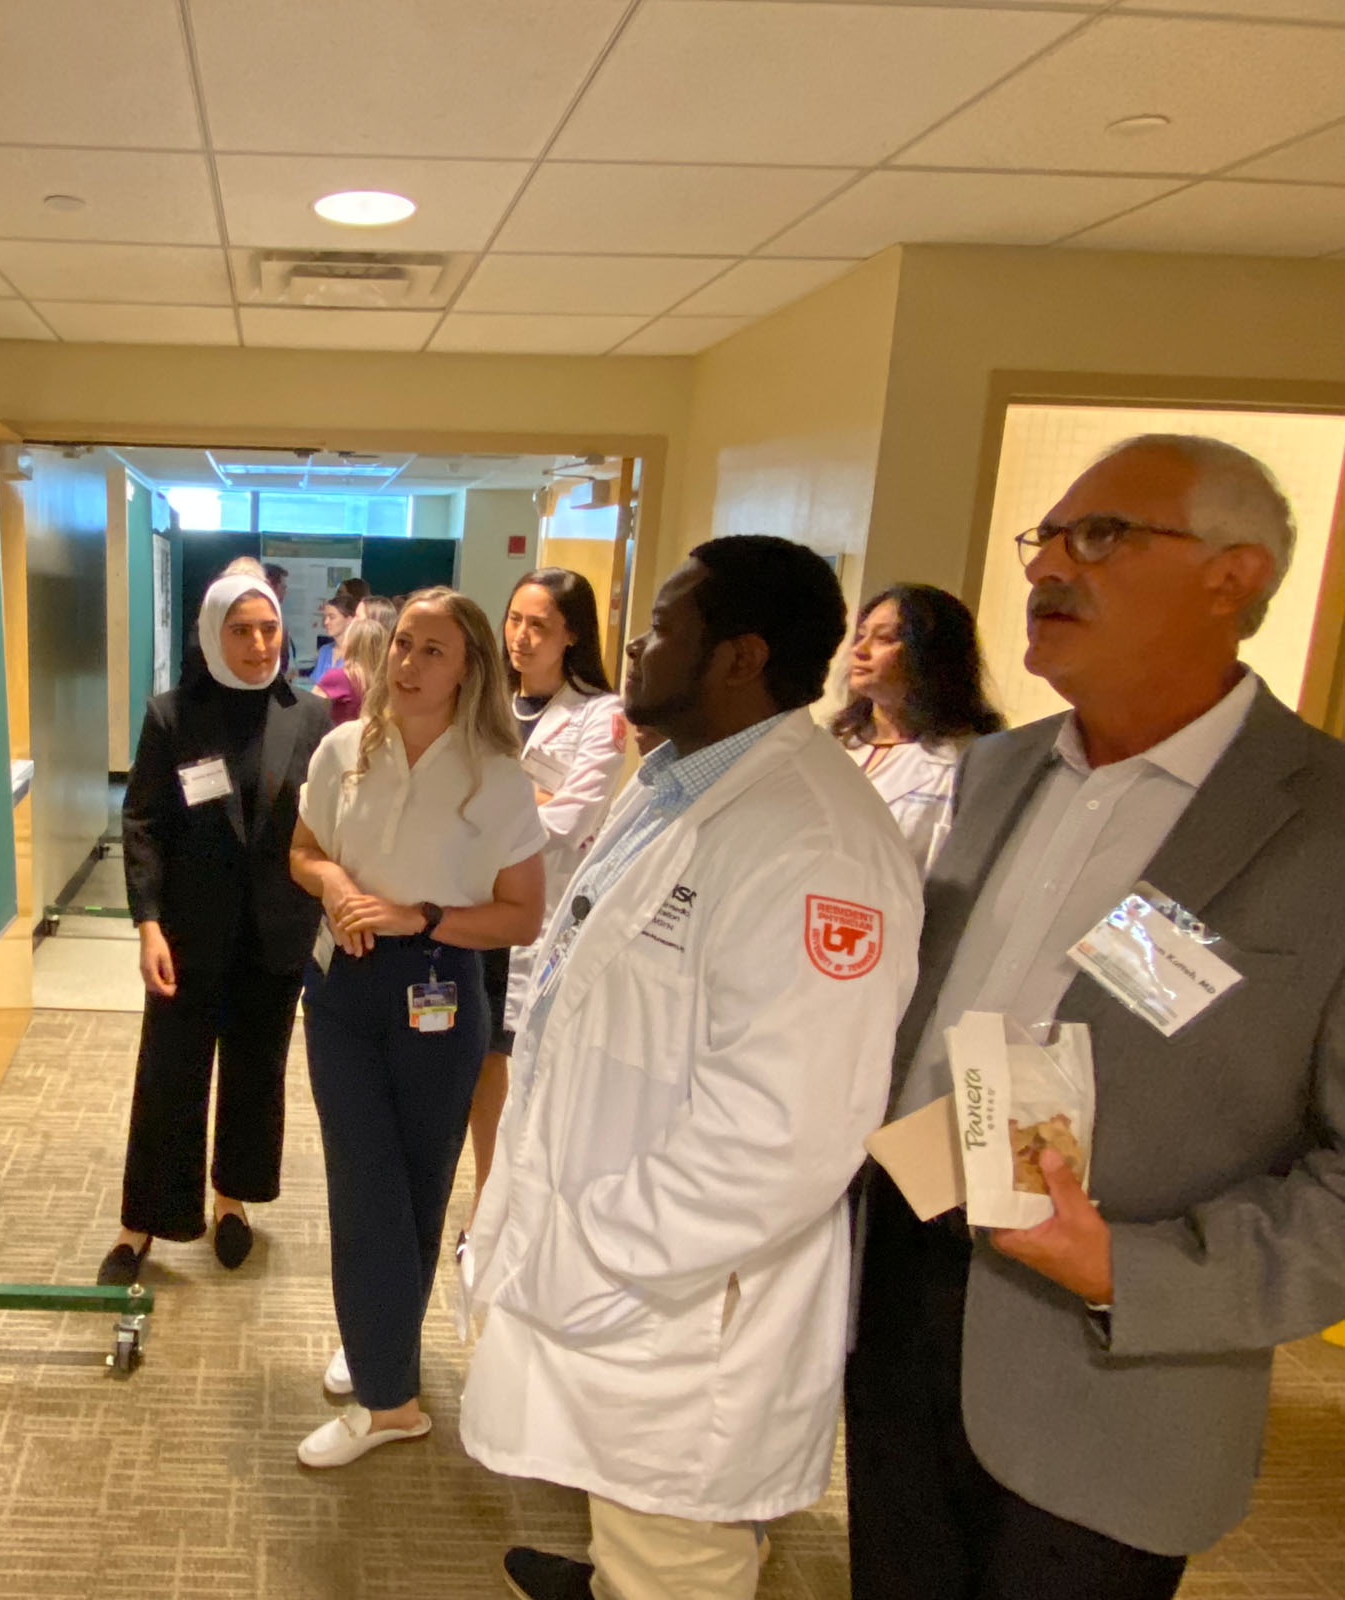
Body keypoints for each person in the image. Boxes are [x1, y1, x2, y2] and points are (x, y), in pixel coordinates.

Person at [847, 434, 1345, 1600]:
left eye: (1102, 536)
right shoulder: (998, 772)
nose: (1048, 568)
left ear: (1236, 574)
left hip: (1118, 1366)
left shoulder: (1324, 825)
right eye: (1047, 539)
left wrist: (1126, 1267)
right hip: (908, 1290)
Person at [461, 536, 924, 1600]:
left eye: (664, 623)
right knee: (632, 1521)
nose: (634, 641)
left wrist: (593, 1238)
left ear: (739, 656)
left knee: (680, 1554)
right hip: (623, 1251)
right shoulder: (675, 779)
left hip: (677, 1287)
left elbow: (786, 1132)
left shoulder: (816, 844)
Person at [288, 588, 547, 1468]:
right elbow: (301, 849)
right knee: (362, 1180)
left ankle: (383, 1367)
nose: (407, 662)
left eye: (433, 651)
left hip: (437, 990)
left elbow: (520, 918)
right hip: (341, 993)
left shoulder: (497, 774)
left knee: (417, 1183)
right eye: (402, 644)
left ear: (470, 666)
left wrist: (421, 917)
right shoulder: (340, 750)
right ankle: (385, 1370)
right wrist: (330, 884)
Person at [99, 571, 332, 1285]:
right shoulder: (173, 715)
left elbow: (327, 821)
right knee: (169, 1074)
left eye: (268, 629)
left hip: (275, 933)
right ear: (211, 635)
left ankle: (232, 1199)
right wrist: (146, 923)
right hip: (187, 934)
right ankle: (144, 1219)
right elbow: (142, 823)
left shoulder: (311, 715)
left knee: (254, 1075)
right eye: (241, 630)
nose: (259, 644)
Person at [470, 569, 622, 1216]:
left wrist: (489, 806)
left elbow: (569, 820)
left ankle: (519, 1204)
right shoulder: (482, 701)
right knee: (480, 1060)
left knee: (528, 1062)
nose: (520, 638)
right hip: (473, 903)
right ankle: (483, 1201)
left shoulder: (599, 714)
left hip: (542, 910)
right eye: (513, 620)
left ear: (571, 635)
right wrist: (519, 802)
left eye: (538, 626)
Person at [831, 584, 1004, 873]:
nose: (860, 650)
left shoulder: (969, 763)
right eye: (860, 635)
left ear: (931, 657)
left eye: (884, 638)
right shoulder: (833, 747)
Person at [316, 613, 387, 725]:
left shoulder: (339, 677)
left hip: (338, 740)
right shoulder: (385, 682)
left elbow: (309, 709)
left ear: (350, 644)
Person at [310, 577, 371, 683]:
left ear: (350, 619)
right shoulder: (324, 651)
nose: (326, 622)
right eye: (325, 617)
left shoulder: (360, 654)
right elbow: (313, 683)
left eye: (332, 617)